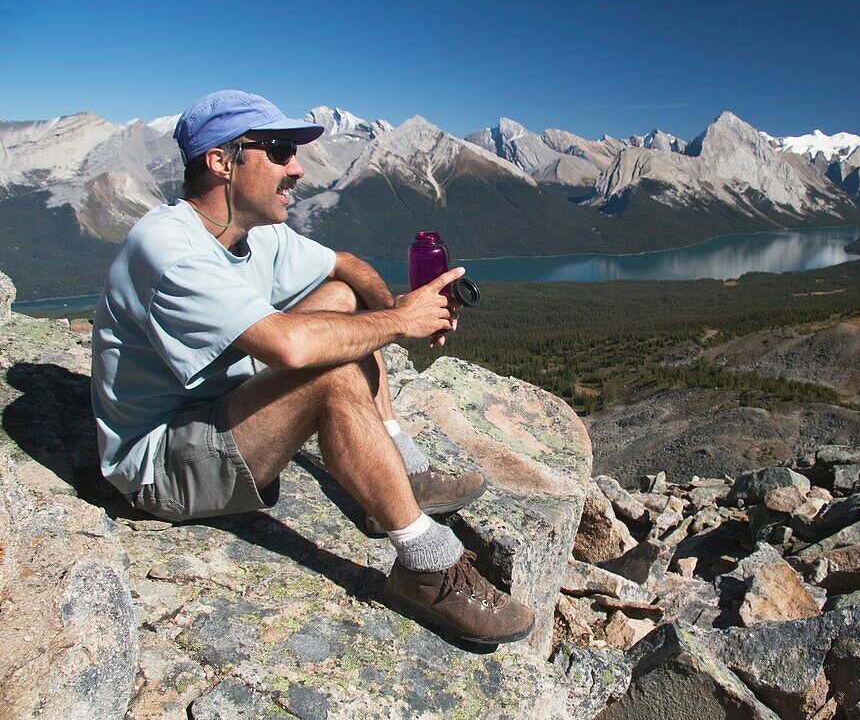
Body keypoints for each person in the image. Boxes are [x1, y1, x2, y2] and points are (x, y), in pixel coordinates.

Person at [90, 90, 533, 645]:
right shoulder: (168, 248)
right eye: (279, 150)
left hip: (220, 409)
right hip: (163, 462)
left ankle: (398, 472)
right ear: (221, 162)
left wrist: (392, 307)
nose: (297, 168)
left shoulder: (252, 232)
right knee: (329, 368)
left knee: (344, 303)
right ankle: (427, 566)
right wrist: (400, 325)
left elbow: (346, 264)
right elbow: (292, 350)